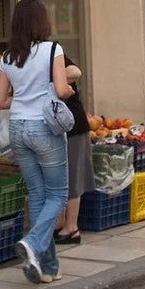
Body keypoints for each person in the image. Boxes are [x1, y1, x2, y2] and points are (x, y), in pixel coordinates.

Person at [0, 0, 74, 284]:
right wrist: (64, 91)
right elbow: (62, 89)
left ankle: (47, 266)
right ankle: (34, 243)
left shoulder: (7, 57)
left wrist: (24, 99)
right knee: (58, 194)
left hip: (17, 128)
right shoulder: (53, 49)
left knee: (39, 196)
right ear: (42, 22)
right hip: (45, 128)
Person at [54, 56, 95, 245]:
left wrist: (53, 79)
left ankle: (72, 227)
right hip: (56, 128)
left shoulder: (54, 51)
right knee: (60, 178)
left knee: (72, 177)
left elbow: (76, 71)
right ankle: (61, 223)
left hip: (74, 126)